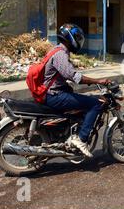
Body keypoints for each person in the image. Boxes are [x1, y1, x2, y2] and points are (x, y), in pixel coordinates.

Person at [44, 24, 111, 158]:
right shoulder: (60, 54)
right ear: (70, 38)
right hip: (55, 95)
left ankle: (72, 132)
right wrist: (97, 81)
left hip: (53, 93)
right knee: (95, 103)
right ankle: (81, 139)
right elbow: (74, 76)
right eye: (77, 38)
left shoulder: (57, 50)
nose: (79, 41)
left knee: (84, 101)